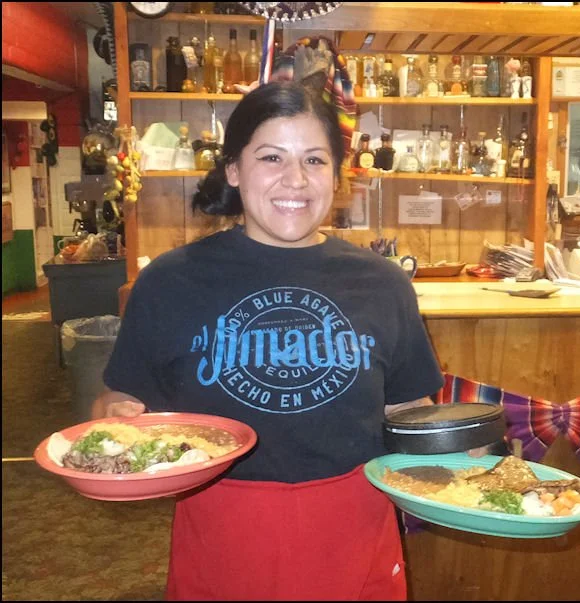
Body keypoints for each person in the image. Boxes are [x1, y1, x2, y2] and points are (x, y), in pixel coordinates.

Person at [91, 79, 445, 600]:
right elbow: (122, 400)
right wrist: (117, 421)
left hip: (354, 528)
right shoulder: (169, 280)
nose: (295, 180)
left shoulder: (384, 282)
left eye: (315, 160)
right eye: (272, 158)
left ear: (338, 174)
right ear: (234, 170)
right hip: (221, 530)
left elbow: (411, 408)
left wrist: (456, 463)